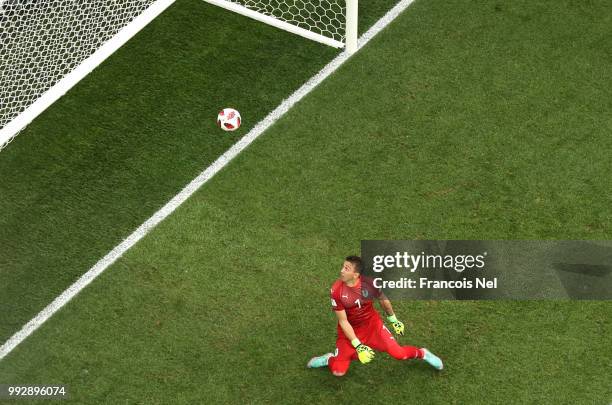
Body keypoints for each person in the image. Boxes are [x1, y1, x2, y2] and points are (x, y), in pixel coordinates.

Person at [307, 255, 443, 376]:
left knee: (399, 354)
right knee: (338, 371)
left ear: (356, 274)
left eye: (346, 268)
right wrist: (358, 345)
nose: (341, 271)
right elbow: (343, 321)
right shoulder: (336, 290)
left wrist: (394, 320)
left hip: (373, 326)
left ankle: (423, 353)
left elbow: (383, 300)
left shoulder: (370, 283)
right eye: (343, 267)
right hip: (350, 331)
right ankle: (329, 358)